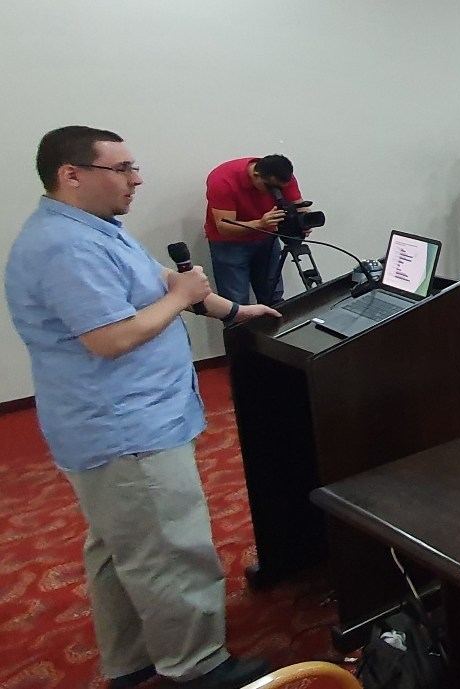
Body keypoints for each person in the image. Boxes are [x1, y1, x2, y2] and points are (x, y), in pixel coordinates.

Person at [9, 125, 277, 689]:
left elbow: (160, 281)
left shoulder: (95, 227)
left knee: (122, 545)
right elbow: (110, 338)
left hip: (121, 420)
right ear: (72, 175)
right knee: (170, 547)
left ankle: (132, 660)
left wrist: (233, 311)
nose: (137, 179)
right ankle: (197, 665)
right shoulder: (66, 246)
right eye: (123, 169)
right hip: (125, 428)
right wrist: (181, 298)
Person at [202, 154, 301, 306]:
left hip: (267, 237)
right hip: (229, 243)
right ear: (256, 175)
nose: (275, 192)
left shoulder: (281, 176)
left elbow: (299, 205)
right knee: (236, 304)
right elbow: (224, 227)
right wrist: (260, 224)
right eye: (271, 188)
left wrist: (302, 221)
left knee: (273, 297)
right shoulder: (222, 181)